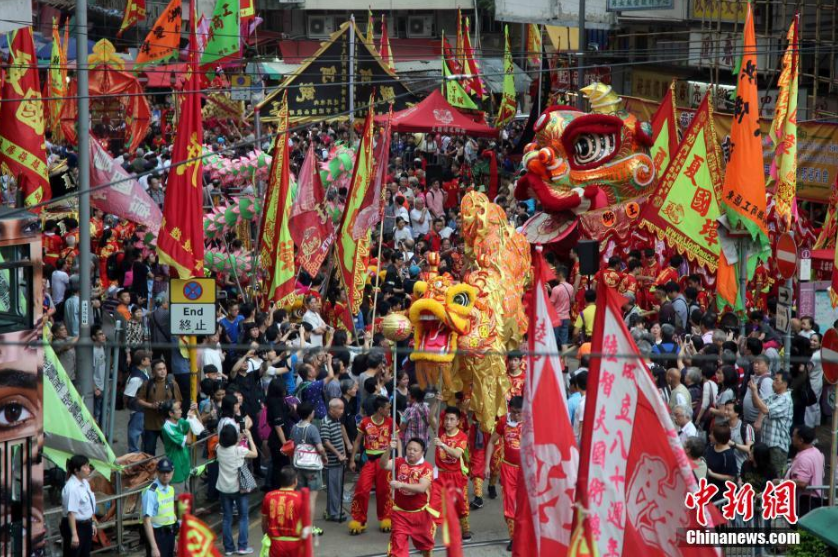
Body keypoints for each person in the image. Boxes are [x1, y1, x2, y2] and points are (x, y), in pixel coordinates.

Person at [379, 438, 434, 557]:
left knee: (425, 546)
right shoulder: (399, 462)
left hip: (420, 515)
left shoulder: (426, 467)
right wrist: (389, 449)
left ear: (422, 452)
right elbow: (382, 465)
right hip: (400, 514)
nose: (411, 452)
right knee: (398, 548)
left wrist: (401, 484)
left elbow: (422, 488)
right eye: (409, 449)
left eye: (415, 450)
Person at [348, 396, 394, 534]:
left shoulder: (391, 422)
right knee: (362, 489)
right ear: (380, 409)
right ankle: (359, 520)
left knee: (385, 491)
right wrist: (351, 459)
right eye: (387, 407)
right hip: (369, 460)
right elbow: (357, 441)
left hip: (385, 462)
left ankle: (386, 518)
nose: (389, 409)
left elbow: (398, 441)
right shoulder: (365, 422)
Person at [485, 396, 523, 551]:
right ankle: (513, 538)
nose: (516, 416)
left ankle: (526, 535)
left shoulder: (531, 422)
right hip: (508, 468)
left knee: (525, 504)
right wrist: (487, 465)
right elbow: (491, 442)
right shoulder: (503, 422)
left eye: (519, 413)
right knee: (509, 503)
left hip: (526, 470)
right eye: (513, 413)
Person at [430, 406, 472, 540]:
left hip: (456, 475)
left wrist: (442, 445)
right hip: (440, 474)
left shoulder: (462, 436)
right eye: (446, 419)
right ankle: (429, 537)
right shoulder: (440, 430)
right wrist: (436, 402)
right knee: (434, 504)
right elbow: (431, 417)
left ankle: (465, 529)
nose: (448, 422)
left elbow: (456, 453)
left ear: (458, 421)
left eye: (452, 419)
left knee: (461, 503)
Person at [217, 424, 258, 555]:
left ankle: (228, 548)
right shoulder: (239, 450)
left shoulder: (218, 448)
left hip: (223, 488)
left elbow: (228, 445)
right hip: (238, 489)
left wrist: (238, 439)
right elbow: (255, 454)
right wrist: (250, 437)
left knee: (227, 518)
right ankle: (242, 547)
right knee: (243, 517)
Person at [290, 402, 328, 536]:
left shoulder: (294, 428)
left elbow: (292, 445)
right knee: (311, 499)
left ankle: (299, 525)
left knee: (300, 497)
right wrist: (324, 457)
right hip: (312, 467)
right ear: (310, 414)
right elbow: (320, 447)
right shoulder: (312, 428)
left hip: (298, 466)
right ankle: (309, 527)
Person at [748, 371, 793, 476]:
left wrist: (755, 392)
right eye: (774, 379)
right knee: (766, 476)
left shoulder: (785, 399)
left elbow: (765, 410)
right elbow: (757, 404)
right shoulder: (774, 396)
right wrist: (753, 391)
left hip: (777, 447)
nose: (773, 383)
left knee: (775, 477)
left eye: (777, 380)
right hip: (767, 445)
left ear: (785, 384)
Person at [261, 466, 310, 557]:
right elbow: (305, 525)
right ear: (295, 481)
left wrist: (268, 536)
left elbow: (264, 523)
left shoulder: (269, 496)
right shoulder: (301, 498)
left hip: (275, 543)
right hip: (295, 544)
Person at [137, 359, 182, 456]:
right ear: (153, 372)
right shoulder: (147, 384)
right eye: (159, 369)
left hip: (168, 424)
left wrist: (168, 406)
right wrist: (151, 405)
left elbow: (178, 402)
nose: (163, 371)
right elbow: (140, 399)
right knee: (149, 453)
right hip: (151, 424)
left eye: (164, 368)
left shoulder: (172, 383)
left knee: (172, 451)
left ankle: (171, 470)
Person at [61, 455, 98, 557]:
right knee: (74, 554)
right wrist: (74, 534)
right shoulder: (72, 488)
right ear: (76, 471)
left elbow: (88, 506)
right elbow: (71, 513)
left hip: (86, 524)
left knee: (85, 554)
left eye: (88, 466)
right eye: (85, 467)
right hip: (76, 526)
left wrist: (92, 522)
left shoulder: (85, 482)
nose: (88, 469)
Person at [140, 458, 177, 557]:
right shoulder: (151, 492)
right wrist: (154, 547)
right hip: (157, 535)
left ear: (172, 472)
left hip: (170, 534)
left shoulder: (170, 489)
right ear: (157, 472)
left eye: (168, 472)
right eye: (162, 472)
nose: (165, 475)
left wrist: (174, 539)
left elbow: (170, 514)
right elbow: (146, 520)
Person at [320, 398, 349, 522]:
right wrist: (338, 454)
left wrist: (344, 451)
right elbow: (326, 442)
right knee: (333, 488)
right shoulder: (325, 422)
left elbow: (340, 437)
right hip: (332, 462)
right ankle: (333, 513)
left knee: (337, 487)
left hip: (339, 460)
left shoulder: (336, 419)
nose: (342, 411)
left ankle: (333, 510)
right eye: (340, 408)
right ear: (332, 409)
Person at [785, 425, 824, 516]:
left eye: (794, 436)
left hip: (806, 501)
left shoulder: (805, 458)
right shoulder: (815, 451)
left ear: (801, 440)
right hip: (814, 499)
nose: (792, 438)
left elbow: (802, 483)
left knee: (800, 528)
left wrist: (781, 482)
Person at [160, 400, 196, 493]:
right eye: (178, 409)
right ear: (171, 413)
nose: (181, 411)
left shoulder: (180, 421)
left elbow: (198, 426)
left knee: (186, 500)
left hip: (185, 466)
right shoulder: (167, 428)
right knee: (177, 501)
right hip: (176, 470)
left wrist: (193, 413)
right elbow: (189, 441)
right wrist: (188, 426)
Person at [125, 349, 151, 453]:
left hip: (143, 409)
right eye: (148, 358)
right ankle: (133, 454)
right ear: (142, 361)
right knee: (135, 433)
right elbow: (128, 396)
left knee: (144, 433)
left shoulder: (143, 373)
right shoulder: (136, 378)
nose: (150, 360)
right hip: (138, 410)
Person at [704, 424, 737, 500]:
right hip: (708, 488)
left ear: (718, 438)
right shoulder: (711, 447)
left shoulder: (728, 455)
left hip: (720, 492)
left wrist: (712, 474)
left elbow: (731, 477)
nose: (709, 436)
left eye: (712, 435)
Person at [724, 401, 754, 475]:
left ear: (737, 413)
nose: (725, 412)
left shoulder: (746, 427)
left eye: (728, 410)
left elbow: (750, 448)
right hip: (725, 469)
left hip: (741, 469)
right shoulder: (723, 427)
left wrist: (733, 444)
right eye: (725, 409)